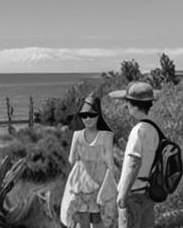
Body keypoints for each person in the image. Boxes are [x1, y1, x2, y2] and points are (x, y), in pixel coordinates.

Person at [60, 94, 118, 228]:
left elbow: (71, 160)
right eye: (84, 115)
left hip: (81, 181)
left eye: (91, 115)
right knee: (99, 219)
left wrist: (83, 162)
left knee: (83, 220)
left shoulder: (77, 135)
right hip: (100, 180)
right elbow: (110, 162)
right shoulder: (107, 135)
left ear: (98, 116)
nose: (87, 118)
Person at [108, 82, 159, 228]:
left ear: (133, 105)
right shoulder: (154, 129)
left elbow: (134, 162)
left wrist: (123, 194)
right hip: (148, 193)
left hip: (133, 194)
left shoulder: (138, 130)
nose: (126, 106)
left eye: (127, 103)